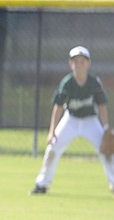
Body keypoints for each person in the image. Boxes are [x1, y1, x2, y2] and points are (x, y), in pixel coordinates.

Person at [30, 45, 114, 195]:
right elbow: (58, 107)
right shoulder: (67, 83)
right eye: (76, 61)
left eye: (82, 61)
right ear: (70, 64)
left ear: (88, 64)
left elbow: (102, 106)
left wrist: (106, 127)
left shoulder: (94, 83)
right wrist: (52, 131)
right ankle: (42, 184)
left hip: (91, 121)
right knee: (53, 149)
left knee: (107, 151)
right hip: (71, 120)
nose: (79, 65)